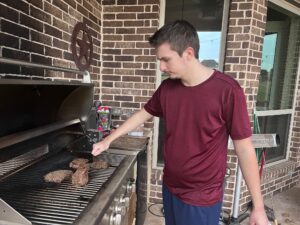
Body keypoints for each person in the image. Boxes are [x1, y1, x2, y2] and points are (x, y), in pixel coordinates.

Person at [92, 20, 269, 225]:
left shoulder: (228, 91)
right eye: (159, 60)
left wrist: (258, 207)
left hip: (201, 198)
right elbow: (142, 114)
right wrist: (108, 140)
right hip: (170, 187)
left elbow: (244, 148)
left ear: (188, 54)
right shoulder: (167, 88)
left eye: (166, 60)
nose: (161, 67)